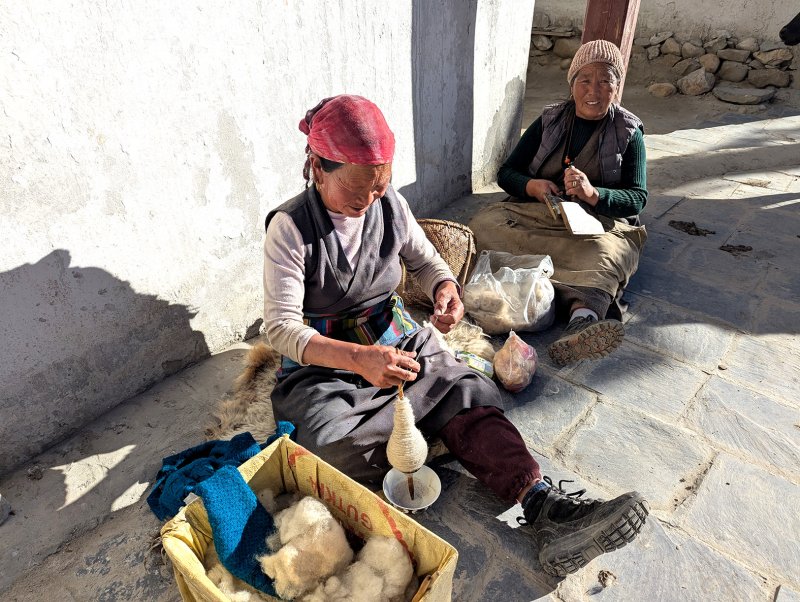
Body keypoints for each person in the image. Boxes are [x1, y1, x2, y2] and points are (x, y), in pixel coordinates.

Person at [262, 93, 648, 577]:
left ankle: (545, 507)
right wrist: (359, 360)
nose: (370, 201)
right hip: (327, 365)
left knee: (470, 390)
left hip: (394, 338)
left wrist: (445, 288)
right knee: (326, 447)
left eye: (380, 187)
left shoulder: (389, 204)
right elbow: (280, 328)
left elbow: (426, 261)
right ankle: (429, 432)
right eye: (358, 190)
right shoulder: (290, 228)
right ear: (319, 168)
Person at [469, 39, 648, 366]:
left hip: (596, 224)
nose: (594, 90)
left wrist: (594, 194)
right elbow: (507, 172)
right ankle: (533, 292)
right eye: (585, 80)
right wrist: (532, 186)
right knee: (482, 225)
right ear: (572, 84)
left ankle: (581, 322)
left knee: (607, 255)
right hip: (538, 212)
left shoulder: (628, 131)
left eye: (605, 81)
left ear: (616, 87)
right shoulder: (550, 120)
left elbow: (637, 198)